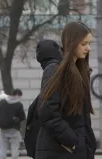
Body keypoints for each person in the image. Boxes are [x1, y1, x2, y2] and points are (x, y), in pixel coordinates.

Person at [35, 22, 96, 159]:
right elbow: (48, 112)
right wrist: (72, 141)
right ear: (72, 42)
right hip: (59, 150)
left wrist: (86, 143)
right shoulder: (55, 70)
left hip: (74, 150)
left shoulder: (80, 70)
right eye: (84, 44)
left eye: (89, 43)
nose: (88, 48)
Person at [24, 40, 63, 158]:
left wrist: (70, 140)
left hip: (54, 143)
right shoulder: (57, 68)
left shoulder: (51, 69)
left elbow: (48, 109)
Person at [0, 89, 26, 159]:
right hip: (14, 128)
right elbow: (22, 117)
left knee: (3, 147)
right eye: (20, 96)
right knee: (15, 146)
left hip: (3, 127)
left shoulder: (2, 101)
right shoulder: (19, 104)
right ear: (17, 95)